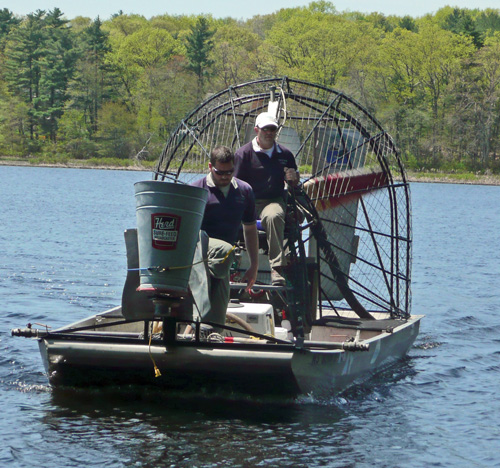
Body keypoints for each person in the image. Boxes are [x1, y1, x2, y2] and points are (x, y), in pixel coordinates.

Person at [191, 145, 259, 328]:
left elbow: (250, 228)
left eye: (229, 172)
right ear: (210, 167)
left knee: (218, 317)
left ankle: (214, 338)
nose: (225, 177)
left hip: (223, 263)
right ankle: (194, 330)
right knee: (199, 312)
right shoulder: (197, 190)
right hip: (197, 257)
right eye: (220, 173)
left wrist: (254, 265)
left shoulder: (244, 191)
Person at [234, 112, 300, 286]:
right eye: (265, 129)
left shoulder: (285, 154)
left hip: (272, 200)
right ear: (257, 130)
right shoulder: (243, 154)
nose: (269, 132)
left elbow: (293, 183)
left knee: (274, 215)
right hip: (248, 201)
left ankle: (277, 269)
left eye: (273, 129)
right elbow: (234, 185)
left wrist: (293, 179)